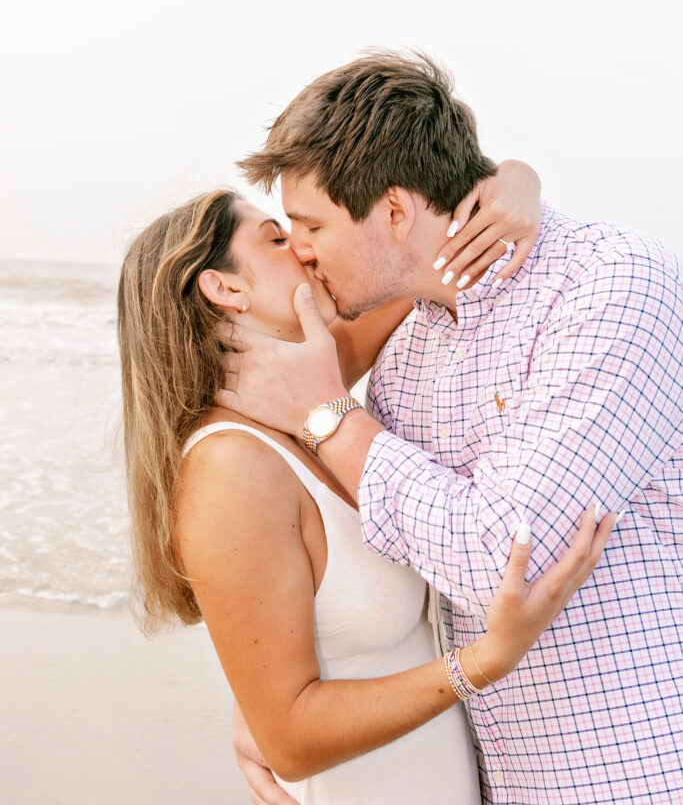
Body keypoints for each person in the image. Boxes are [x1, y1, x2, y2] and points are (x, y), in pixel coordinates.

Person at [228, 51, 683, 804]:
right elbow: (405, 575)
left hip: (638, 773)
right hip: (492, 780)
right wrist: (275, 704)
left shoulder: (609, 284)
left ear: (396, 210)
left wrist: (327, 416)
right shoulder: (407, 355)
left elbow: (508, 559)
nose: (300, 249)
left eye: (309, 224)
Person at [117, 177, 615, 805]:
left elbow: (415, 267)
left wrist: (514, 181)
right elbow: (290, 739)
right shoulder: (230, 468)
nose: (302, 247)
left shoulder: (301, 407)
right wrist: (483, 662)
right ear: (225, 288)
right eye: (276, 237)